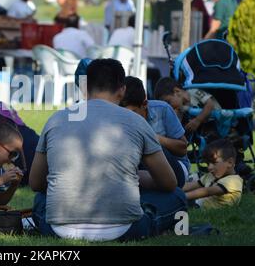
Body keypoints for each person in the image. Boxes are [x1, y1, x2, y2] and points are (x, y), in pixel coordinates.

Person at [30, 59, 186, 242]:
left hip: (58, 228)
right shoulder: (137, 122)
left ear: (85, 88)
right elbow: (169, 183)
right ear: (122, 90)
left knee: (41, 200)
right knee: (177, 197)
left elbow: (36, 183)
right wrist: (135, 178)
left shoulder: (56, 119)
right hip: (126, 229)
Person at [120, 76, 190, 186]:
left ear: (144, 104)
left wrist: (153, 137)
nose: (129, 119)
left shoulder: (163, 109)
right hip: (141, 168)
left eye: (133, 112)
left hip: (176, 167)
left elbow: (182, 149)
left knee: (150, 146)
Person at [183, 139, 243, 209]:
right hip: (196, 203)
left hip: (198, 206)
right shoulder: (210, 176)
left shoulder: (234, 181)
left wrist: (182, 196)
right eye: (208, 164)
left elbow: (208, 191)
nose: (209, 167)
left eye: (214, 163)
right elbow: (191, 185)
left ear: (230, 162)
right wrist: (175, 190)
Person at [154, 77, 221, 133]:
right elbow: (178, 123)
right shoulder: (180, 106)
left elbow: (210, 104)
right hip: (203, 127)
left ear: (177, 91)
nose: (168, 106)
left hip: (218, 121)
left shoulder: (194, 91)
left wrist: (197, 120)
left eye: (168, 102)